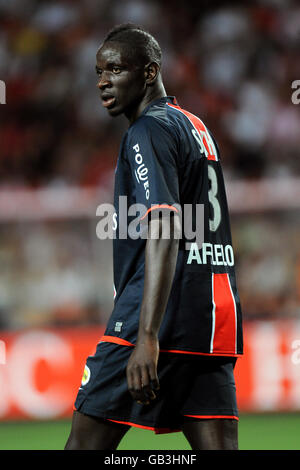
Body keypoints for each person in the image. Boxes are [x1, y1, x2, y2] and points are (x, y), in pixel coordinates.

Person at [65, 23, 243, 450]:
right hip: (213, 317)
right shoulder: (195, 125)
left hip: (159, 315)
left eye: (116, 69)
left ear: (149, 72)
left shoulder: (147, 130)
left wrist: (147, 335)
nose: (103, 81)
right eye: (98, 71)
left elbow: (164, 225)